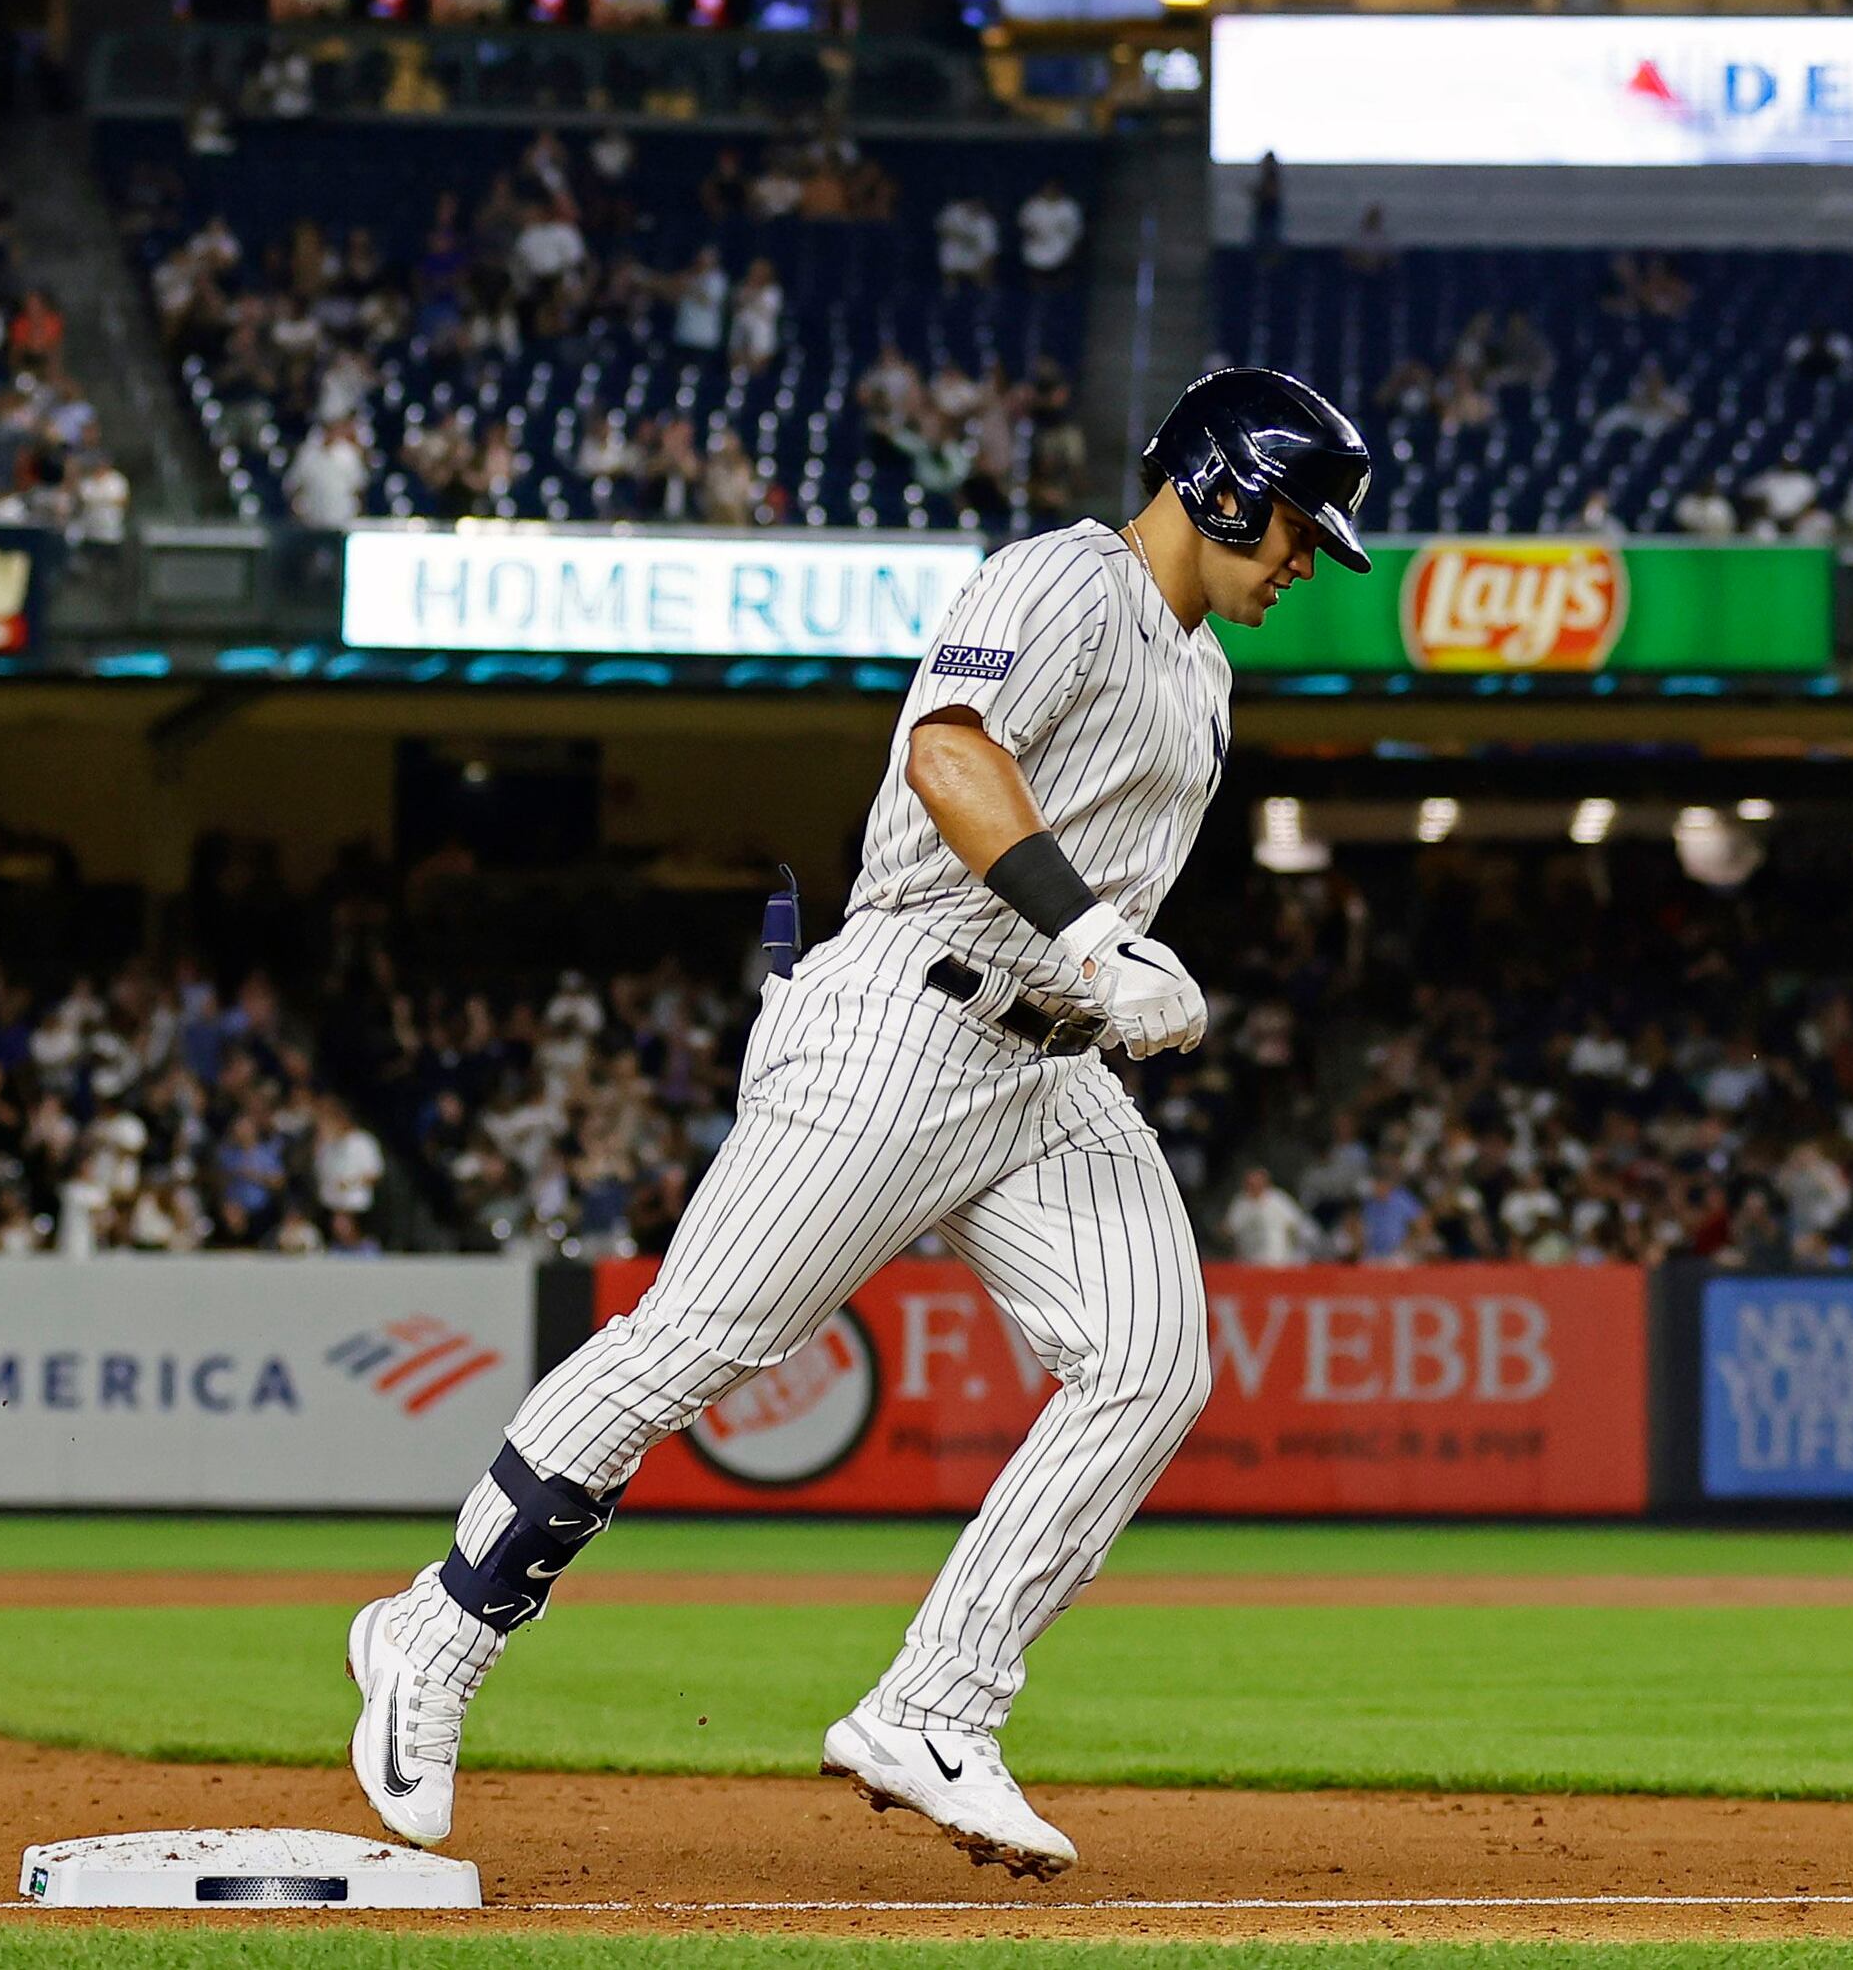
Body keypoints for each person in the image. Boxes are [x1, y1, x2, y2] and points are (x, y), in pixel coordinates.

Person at [341, 366, 1376, 1877]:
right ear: (1223, 482)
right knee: (696, 1341)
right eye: (1296, 523)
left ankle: (937, 1705)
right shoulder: (1062, 579)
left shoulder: (1205, 672)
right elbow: (947, 751)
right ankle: (432, 1632)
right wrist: (1096, 938)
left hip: (1045, 1063)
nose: (1303, 559)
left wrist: (1104, 974)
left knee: (1153, 1364)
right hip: (908, 1008)